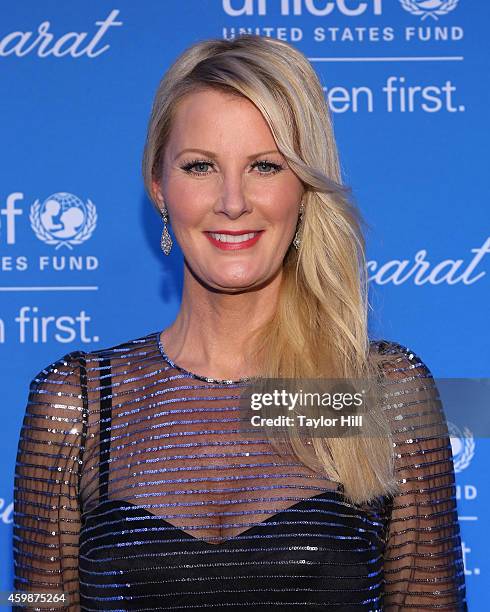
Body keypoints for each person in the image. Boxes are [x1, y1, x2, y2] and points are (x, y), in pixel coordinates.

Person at [13, 34, 467, 611]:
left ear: (303, 189)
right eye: (200, 166)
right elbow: (35, 600)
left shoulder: (377, 396)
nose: (232, 201)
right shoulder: (80, 404)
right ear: (159, 187)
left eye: (265, 166)